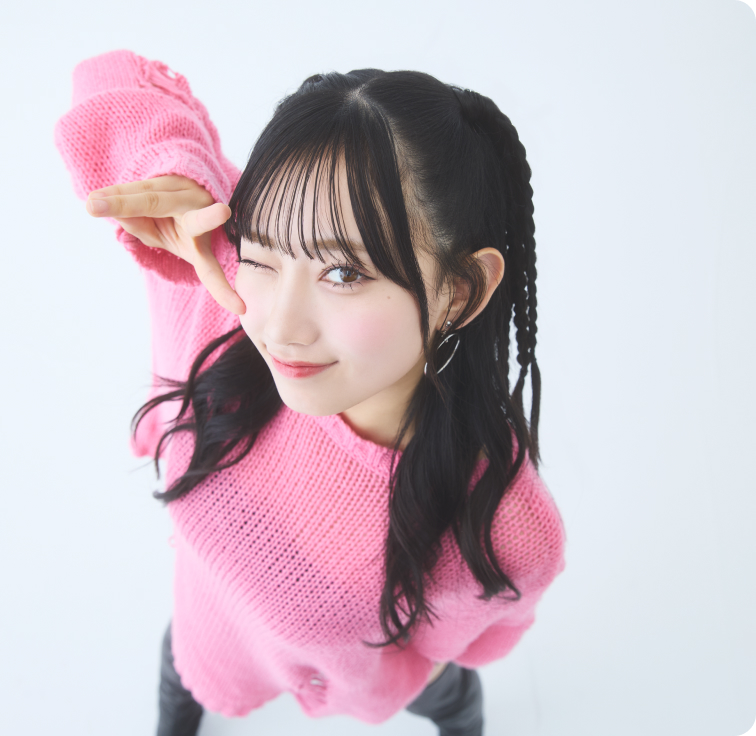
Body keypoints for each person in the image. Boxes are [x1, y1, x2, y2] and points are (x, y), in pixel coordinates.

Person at [55, 50, 566, 736]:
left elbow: (474, 641)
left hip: (369, 680)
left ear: (460, 291)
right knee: (181, 672)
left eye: (344, 274)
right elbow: (108, 77)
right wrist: (173, 168)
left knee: (446, 694)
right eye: (260, 252)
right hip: (206, 631)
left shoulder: (502, 522)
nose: (279, 327)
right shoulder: (221, 292)